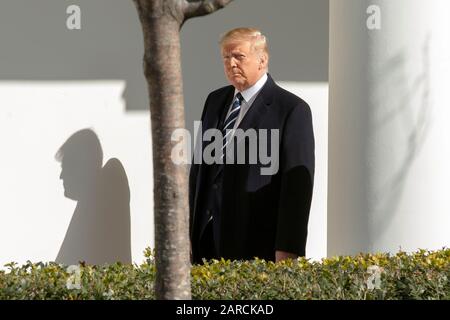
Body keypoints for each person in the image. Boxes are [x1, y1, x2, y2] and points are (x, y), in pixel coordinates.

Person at [189, 28, 315, 263]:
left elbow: (296, 188)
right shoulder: (215, 101)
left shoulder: (291, 110)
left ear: (262, 60)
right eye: (226, 58)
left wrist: (288, 247)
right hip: (206, 241)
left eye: (239, 56)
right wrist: (185, 232)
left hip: (255, 244)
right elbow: (199, 172)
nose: (231, 63)